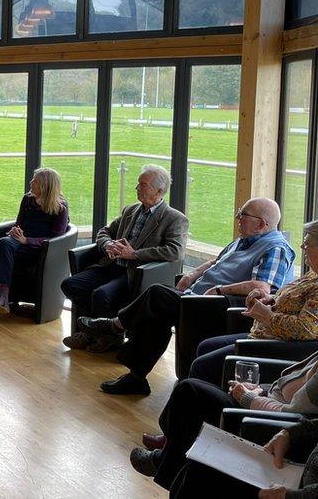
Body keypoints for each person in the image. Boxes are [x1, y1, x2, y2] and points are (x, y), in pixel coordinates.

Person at [80, 197, 295, 395]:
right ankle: (136, 377)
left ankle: (115, 326)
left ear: (261, 224)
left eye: (243, 215)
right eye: (240, 212)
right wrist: (192, 274)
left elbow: (263, 287)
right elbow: (216, 262)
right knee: (155, 314)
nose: (237, 218)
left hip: (221, 307)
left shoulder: (275, 248)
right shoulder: (244, 240)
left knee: (157, 294)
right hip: (198, 299)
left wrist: (220, 290)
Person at [130, 351, 318, 489]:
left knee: (191, 392)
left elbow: (295, 413)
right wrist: (259, 389)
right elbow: (290, 385)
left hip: (270, 420)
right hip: (265, 400)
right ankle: (169, 459)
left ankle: (166, 464)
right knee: (191, 391)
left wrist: (248, 398)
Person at [61, 164, 189, 351]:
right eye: (138, 184)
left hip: (135, 274)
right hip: (110, 266)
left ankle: (96, 335)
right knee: (70, 284)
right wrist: (108, 244)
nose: (137, 188)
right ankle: (104, 334)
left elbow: (174, 251)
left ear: (159, 191)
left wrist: (135, 254)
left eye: (142, 185)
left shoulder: (174, 218)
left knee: (101, 294)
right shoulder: (130, 211)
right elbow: (104, 231)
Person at [187, 220, 318, 383]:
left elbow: (306, 329)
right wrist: (270, 299)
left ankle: (201, 397)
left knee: (201, 366)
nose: (302, 247)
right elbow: (293, 302)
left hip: (275, 346)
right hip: (263, 335)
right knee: (205, 346)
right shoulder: (313, 274)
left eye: (307, 243)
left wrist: (267, 316)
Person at [0, 167, 69, 323]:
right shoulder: (28, 199)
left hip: (40, 250)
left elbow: (56, 237)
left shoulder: (60, 207)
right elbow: (19, 222)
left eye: (35, 181)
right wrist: (16, 231)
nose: (31, 182)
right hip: (18, 243)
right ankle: (1, 299)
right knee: (3, 245)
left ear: (45, 185)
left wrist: (27, 240)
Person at [170, 420, 318, 497]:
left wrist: (293, 496)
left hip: (300, 493)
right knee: (200, 467)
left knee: (202, 478)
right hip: (299, 476)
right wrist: (291, 433)